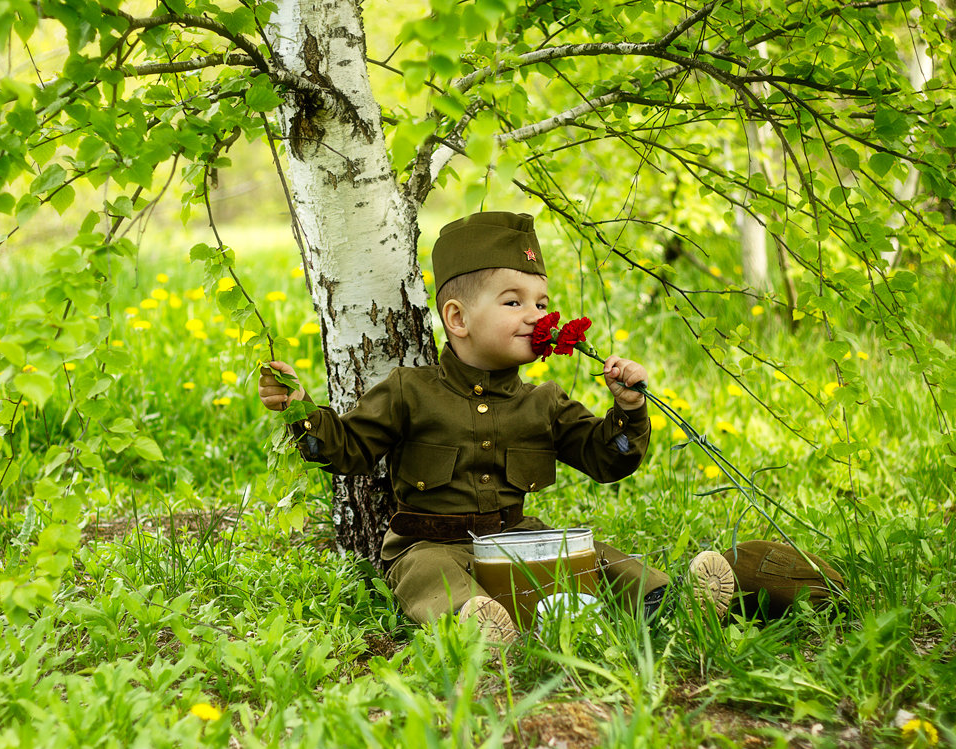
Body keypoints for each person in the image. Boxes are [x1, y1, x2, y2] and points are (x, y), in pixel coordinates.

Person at [257, 211, 821, 642]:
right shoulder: (411, 391)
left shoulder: (545, 401)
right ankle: (473, 628)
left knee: (592, 557)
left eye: (542, 300)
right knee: (426, 575)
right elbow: (349, 449)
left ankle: (668, 604)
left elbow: (607, 459)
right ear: (457, 319)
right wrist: (303, 410)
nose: (536, 315)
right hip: (431, 541)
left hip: (518, 538)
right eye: (514, 300)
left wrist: (627, 409)